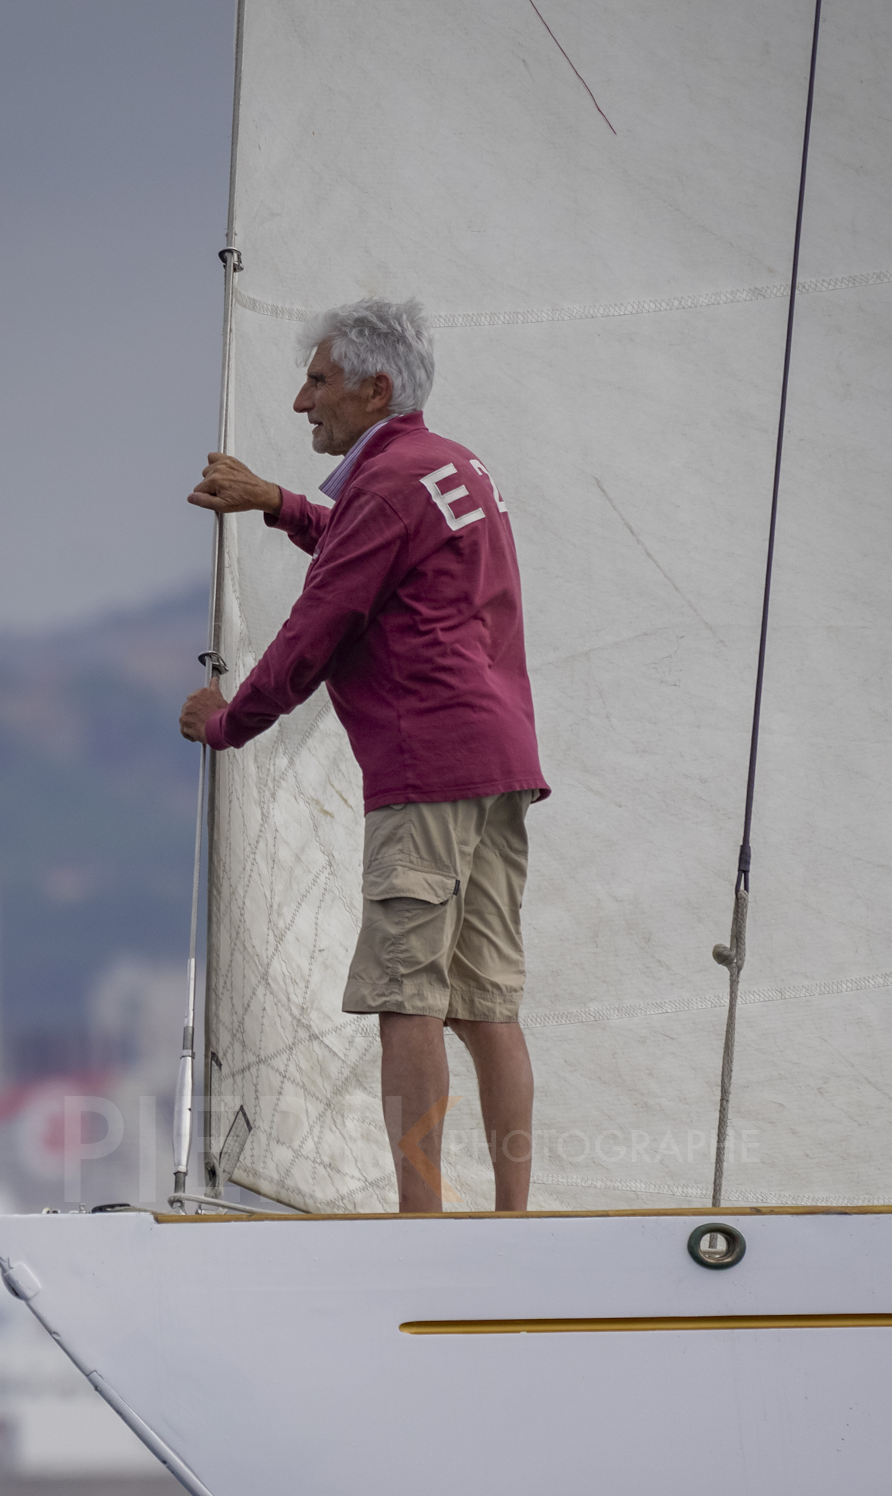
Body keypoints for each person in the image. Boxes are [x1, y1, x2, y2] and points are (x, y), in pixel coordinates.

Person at [180, 296, 549, 1212]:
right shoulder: (447, 465)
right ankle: (515, 1219)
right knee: (486, 1003)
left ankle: (418, 1223)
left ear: (374, 387)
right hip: (498, 762)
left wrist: (225, 723)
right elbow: (369, 543)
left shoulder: (383, 485)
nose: (303, 402)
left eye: (318, 381)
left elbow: (316, 630)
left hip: (424, 772)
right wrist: (276, 503)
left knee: (407, 996)